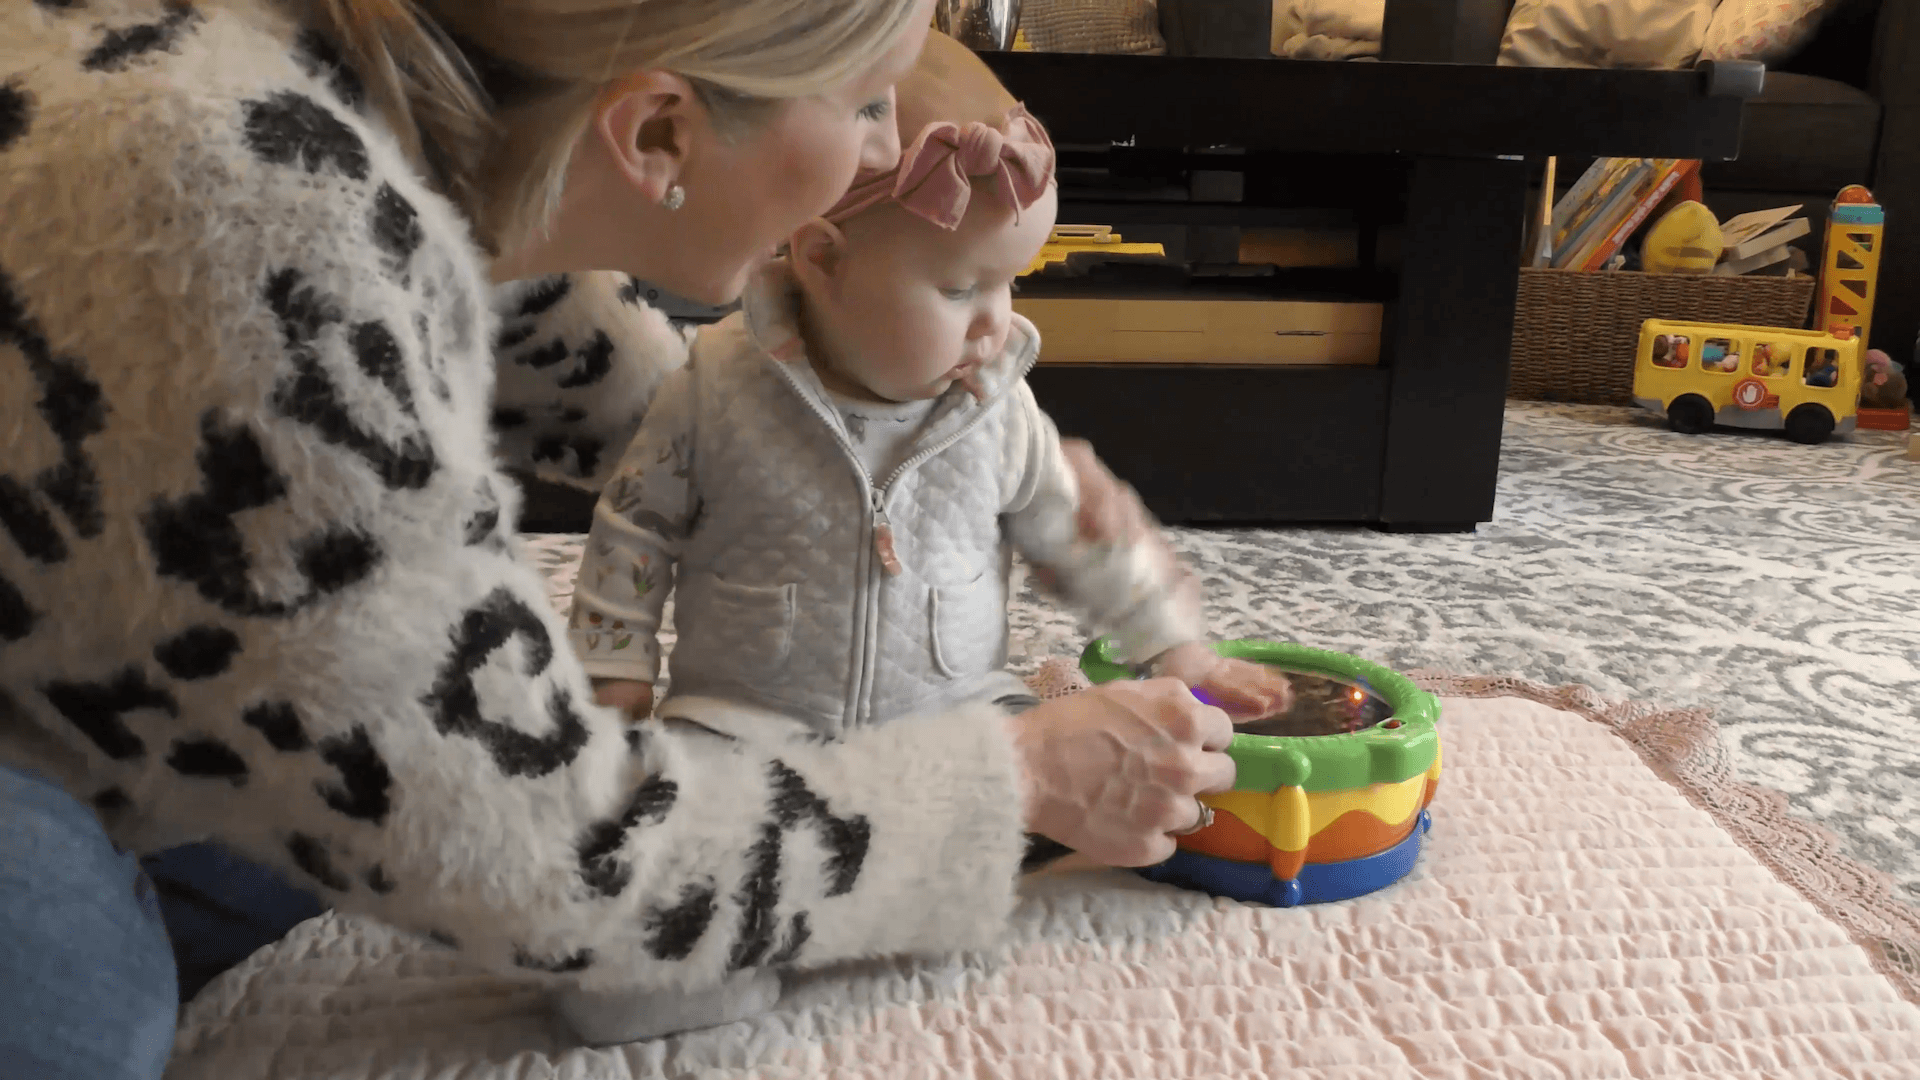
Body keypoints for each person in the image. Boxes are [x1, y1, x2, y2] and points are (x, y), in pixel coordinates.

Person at [0, 0, 1239, 1072]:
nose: (888, 146)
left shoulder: (404, 121)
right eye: (868, 105)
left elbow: (626, 381)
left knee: (304, 816)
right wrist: (1013, 781)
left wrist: (837, 448)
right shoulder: (248, 246)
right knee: (87, 1012)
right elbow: (554, 853)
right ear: (656, 134)